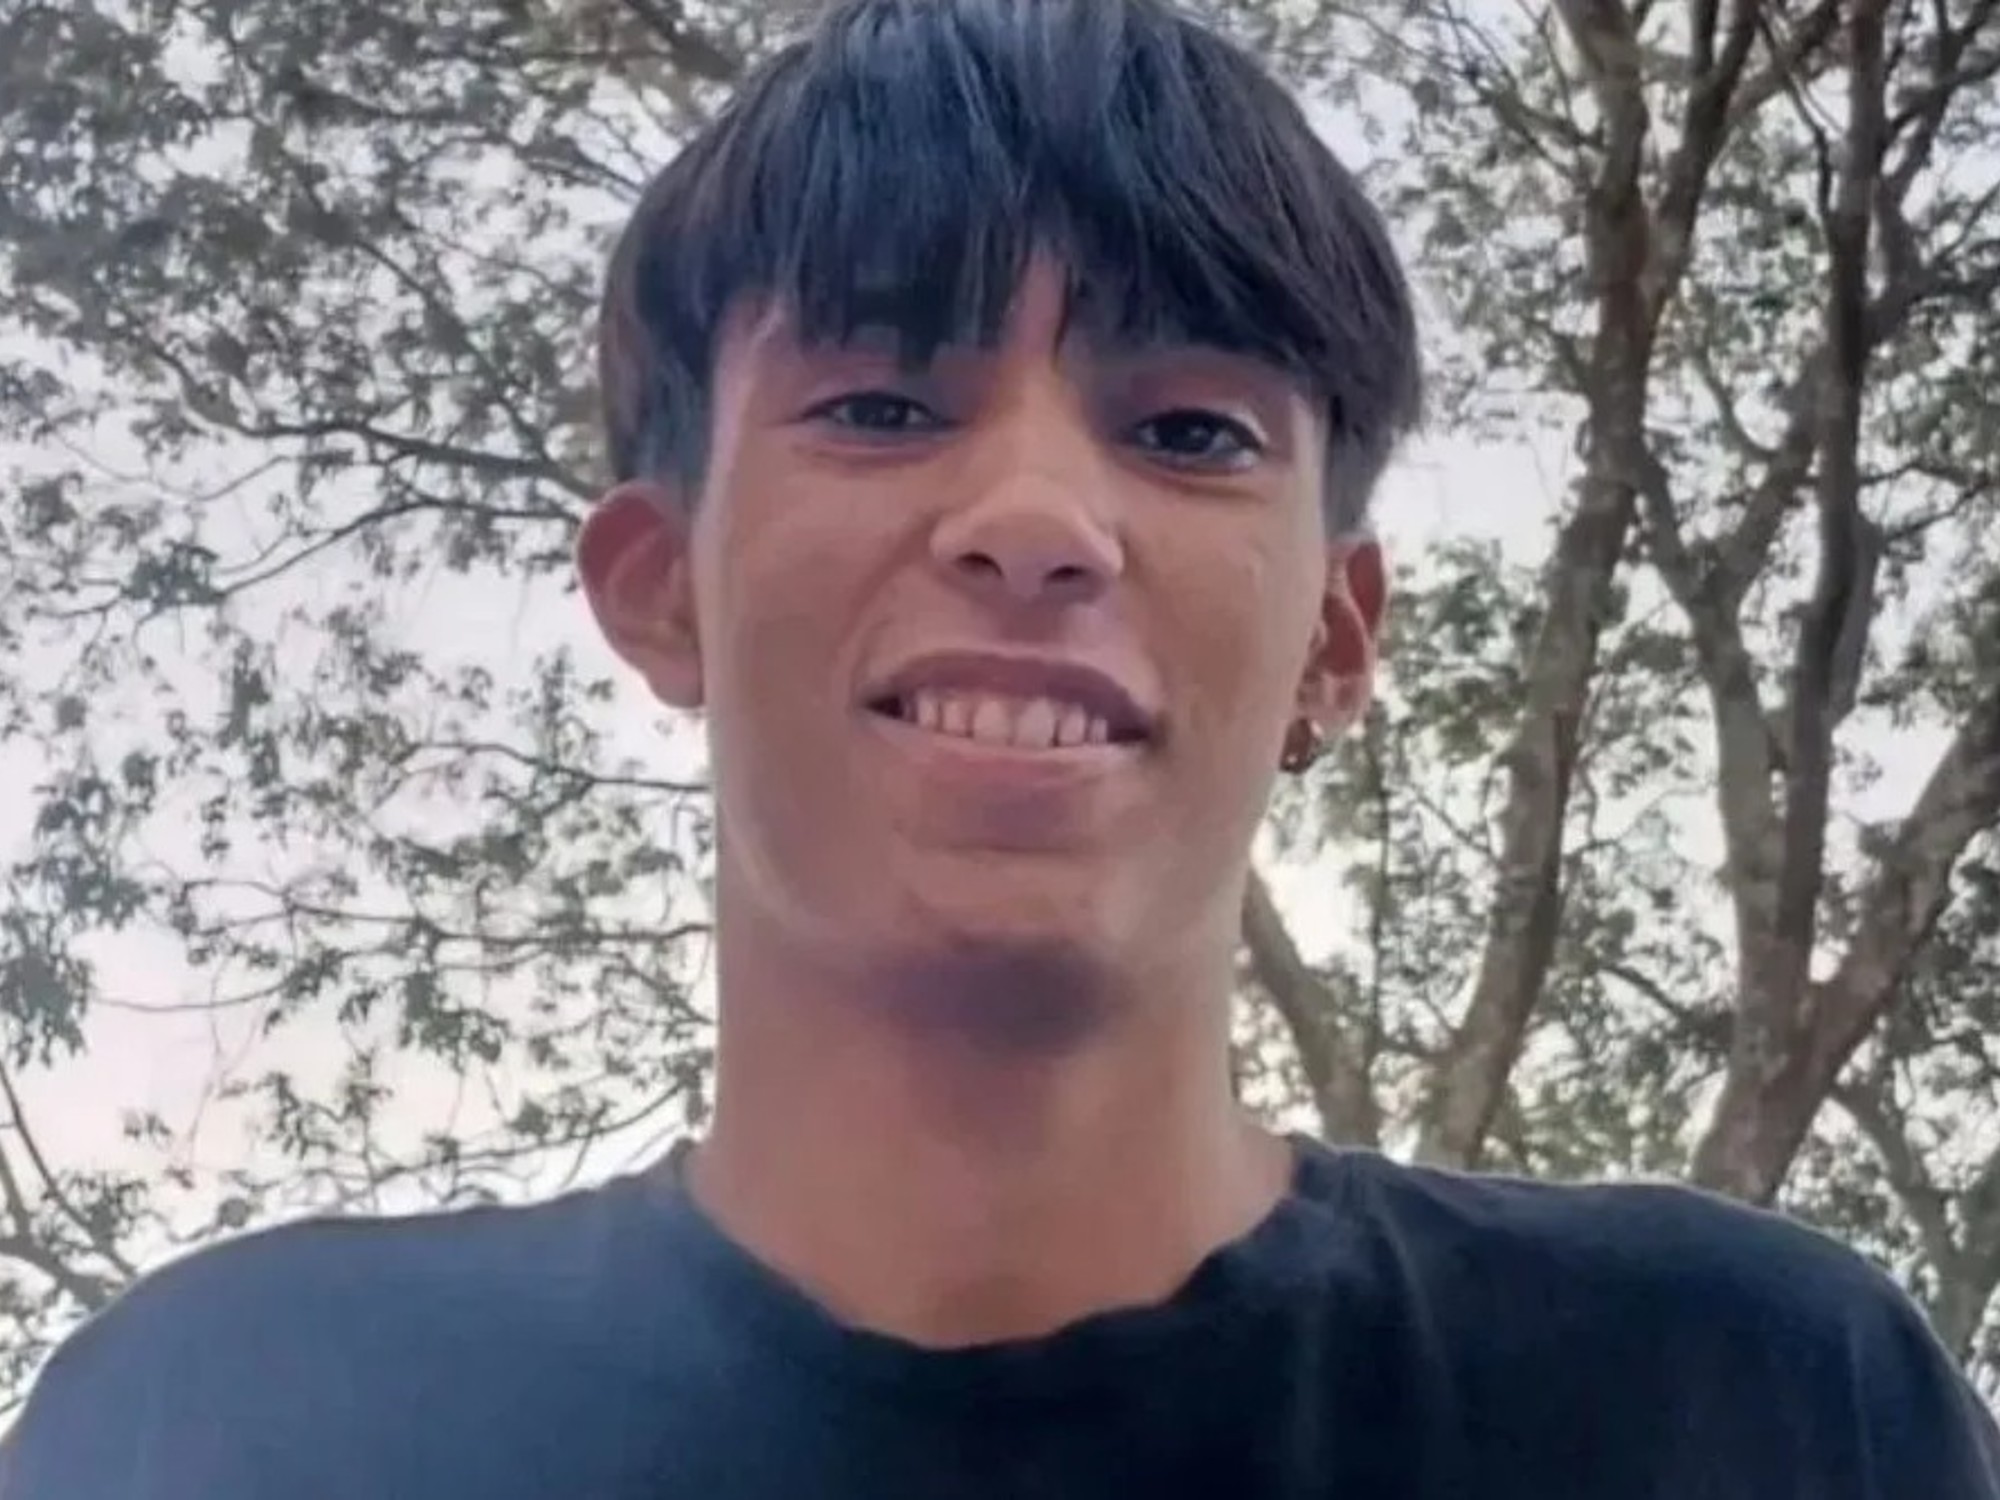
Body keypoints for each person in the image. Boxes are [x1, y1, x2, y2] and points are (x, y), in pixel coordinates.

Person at [7, 0, 1999, 1494]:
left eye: (1189, 431)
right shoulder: (235, 1426)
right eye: (881, 406)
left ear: (1333, 641)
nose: (1038, 518)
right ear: (659, 589)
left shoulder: (1752, 1407)